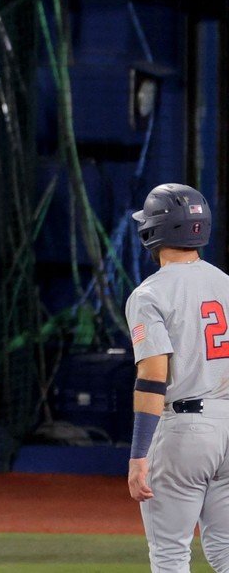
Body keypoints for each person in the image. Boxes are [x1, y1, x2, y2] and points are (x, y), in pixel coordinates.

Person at [125, 183, 229, 572]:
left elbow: (152, 378)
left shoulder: (151, 293)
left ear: (152, 231)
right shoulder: (225, 283)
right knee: (226, 550)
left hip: (185, 430)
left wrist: (138, 455)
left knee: (170, 553)